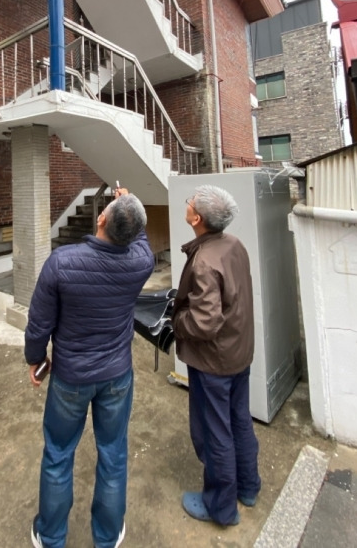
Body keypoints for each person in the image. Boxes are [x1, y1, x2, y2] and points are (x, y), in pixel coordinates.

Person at [25, 187, 155, 548]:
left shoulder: (62, 262)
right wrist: (128, 207)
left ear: (101, 218)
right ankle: (107, 535)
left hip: (71, 377)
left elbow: (39, 324)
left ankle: (51, 536)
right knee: (113, 454)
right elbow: (139, 237)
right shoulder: (141, 262)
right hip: (117, 376)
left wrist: (36, 360)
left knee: (58, 454)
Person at [171, 184, 261, 527]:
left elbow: (205, 320)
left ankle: (220, 507)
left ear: (197, 218)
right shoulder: (233, 245)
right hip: (239, 351)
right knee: (239, 421)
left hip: (213, 362)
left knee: (215, 433)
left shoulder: (205, 261)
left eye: (190, 201)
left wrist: (178, 321)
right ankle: (248, 486)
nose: (187, 203)